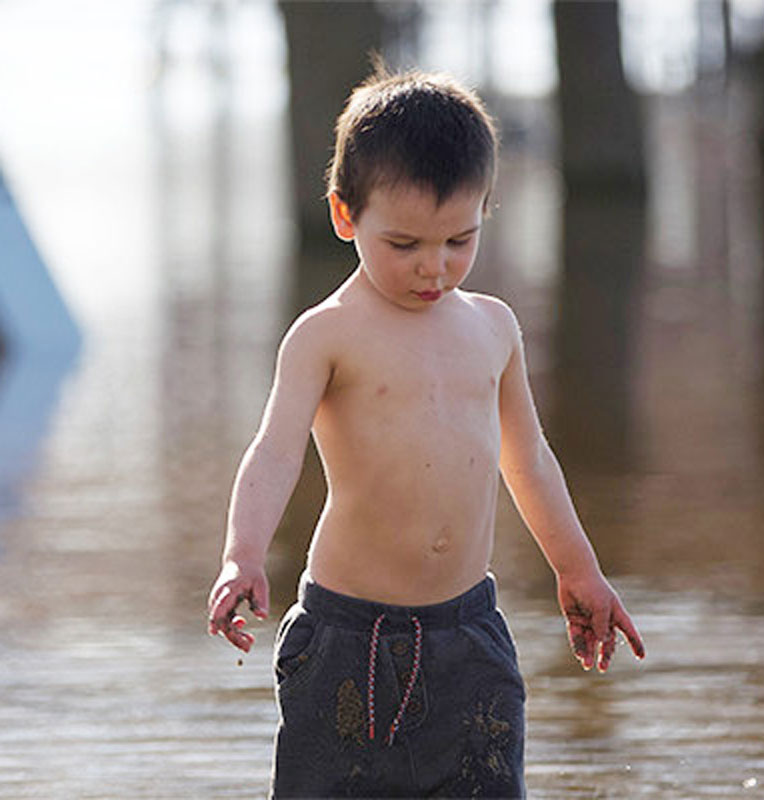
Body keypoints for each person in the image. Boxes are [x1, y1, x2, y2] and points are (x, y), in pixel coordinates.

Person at [207, 63, 645, 799]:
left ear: (483, 214)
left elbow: (528, 460)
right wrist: (242, 555)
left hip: (468, 634)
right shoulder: (327, 335)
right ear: (346, 216)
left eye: (458, 241)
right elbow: (276, 450)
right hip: (348, 638)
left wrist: (578, 569)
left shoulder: (493, 327)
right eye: (404, 244)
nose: (433, 268)